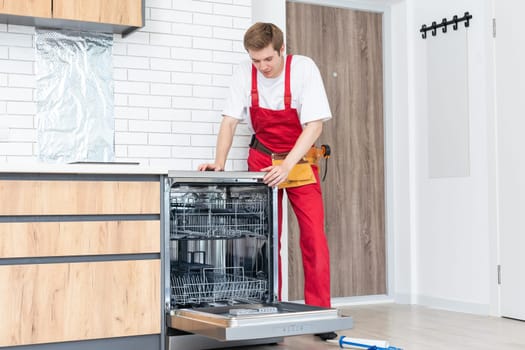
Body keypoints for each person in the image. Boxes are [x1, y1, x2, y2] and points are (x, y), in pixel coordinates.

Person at [198, 22, 336, 341]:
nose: (262, 67)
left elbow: (314, 126)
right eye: (255, 61)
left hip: (298, 161)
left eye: (268, 60)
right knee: (262, 237)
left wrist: (287, 165)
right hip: (261, 161)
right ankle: (263, 310)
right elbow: (230, 121)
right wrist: (218, 163)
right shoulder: (243, 74)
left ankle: (320, 313)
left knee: (313, 236)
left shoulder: (303, 70)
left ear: (282, 51)